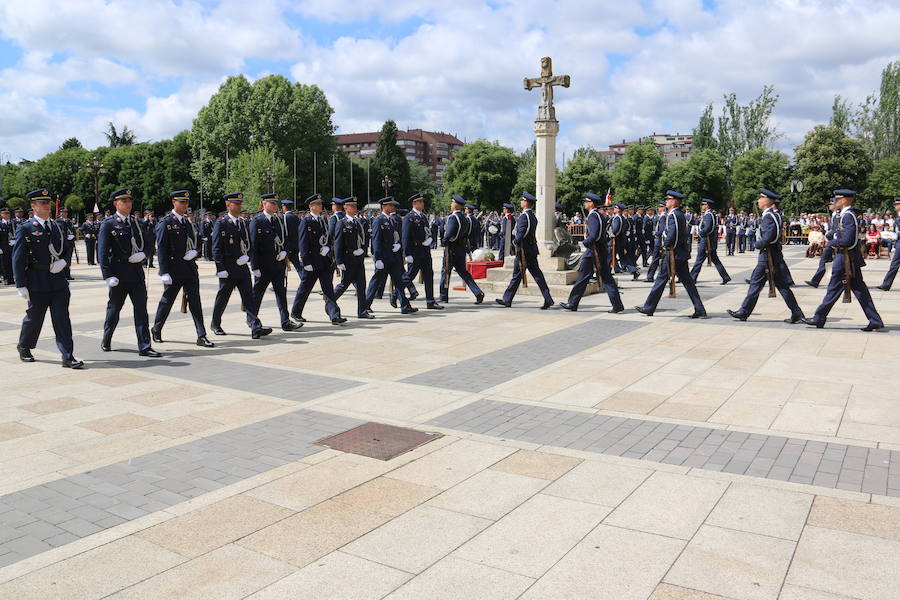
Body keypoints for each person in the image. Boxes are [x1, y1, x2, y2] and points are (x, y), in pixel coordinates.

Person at [13, 189, 83, 367]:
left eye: (47, 202)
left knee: (62, 319)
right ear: (33, 206)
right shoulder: (26, 228)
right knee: (34, 318)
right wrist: (20, 285)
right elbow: (18, 257)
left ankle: (68, 355)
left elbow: (67, 249)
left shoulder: (58, 226)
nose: (46, 206)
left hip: (58, 281)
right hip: (37, 280)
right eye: (42, 203)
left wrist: (64, 263)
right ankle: (24, 345)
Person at [802, 189, 884, 331]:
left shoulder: (848, 215)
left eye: (837, 199)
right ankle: (875, 320)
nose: (835, 202)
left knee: (834, 287)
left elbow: (849, 240)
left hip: (845, 258)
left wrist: (831, 243)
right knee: (860, 290)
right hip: (847, 257)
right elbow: (839, 233)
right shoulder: (844, 215)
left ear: (845, 200)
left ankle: (819, 317)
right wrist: (830, 235)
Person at [97, 188, 159, 356]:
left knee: (141, 310)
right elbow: (102, 252)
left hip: (136, 273)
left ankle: (145, 346)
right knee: (114, 310)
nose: (127, 204)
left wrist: (144, 254)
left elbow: (149, 244)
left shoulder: (137, 223)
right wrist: (107, 275)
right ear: (116, 203)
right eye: (123, 201)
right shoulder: (108, 223)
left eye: (129, 201)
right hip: (118, 274)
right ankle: (107, 337)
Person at [727, 189, 804, 324]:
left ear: (766, 201)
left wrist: (758, 244)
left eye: (760, 198)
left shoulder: (768, 216)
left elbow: (770, 236)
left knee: (756, 283)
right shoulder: (772, 215)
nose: (758, 201)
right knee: (782, 286)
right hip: (773, 254)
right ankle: (796, 312)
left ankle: (744, 311)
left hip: (767, 255)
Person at [150, 191, 213, 347]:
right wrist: (163, 272)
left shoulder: (187, 222)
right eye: (181, 202)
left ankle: (201, 335)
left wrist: (195, 252)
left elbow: (197, 241)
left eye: (186, 202)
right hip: (173, 269)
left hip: (190, 268)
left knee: (195, 302)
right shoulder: (166, 222)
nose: (185, 205)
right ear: (174, 202)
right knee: (167, 301)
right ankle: (156, 328)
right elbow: (162, 248)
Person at [635, 191, 706, 318]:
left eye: (668, 199)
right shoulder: (676, 214)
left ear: (674, 201)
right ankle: (699, 308)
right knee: (688, 282)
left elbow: (675, 234)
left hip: (674, 253)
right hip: (679, 253)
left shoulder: (674, 215)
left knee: (661, 279)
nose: (666, 201)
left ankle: (649, 307)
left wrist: (667, 244)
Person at [210, 193, 272, 338]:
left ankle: (255, 326)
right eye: (236, 203)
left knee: (249, 298)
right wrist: (220, 268)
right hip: (228, 268)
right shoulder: (222, 223)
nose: (239, 206)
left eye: (240, 203)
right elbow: (216, 248)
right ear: (228, 205)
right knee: (223, 298)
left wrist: (248, 257)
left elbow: (250, 244)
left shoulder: (243, 223)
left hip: (242, 267)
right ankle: (215, 323)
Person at [559, 192, 623, 312]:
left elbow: (595, 235)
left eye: (586, 202)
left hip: (593, 251)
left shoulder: (593, 216)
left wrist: (586, 242)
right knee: (606, 278)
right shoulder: (599, 215)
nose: (585, 203)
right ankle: (617, 304)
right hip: (600, 250)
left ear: (591, 203)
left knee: (583, 276)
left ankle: (572, 303)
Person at [290, 194, 345, 325]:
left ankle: (334, 315)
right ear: (311, 206)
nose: (320, 206)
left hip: (323, 261)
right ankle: (296, 312)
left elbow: (328, 237)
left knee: (328, 289)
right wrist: (306, 262)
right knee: (305, 289)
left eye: (320, 204)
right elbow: (302, 243)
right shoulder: (306, 221)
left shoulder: (322, 220)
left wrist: (328, 248)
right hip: (312, 261)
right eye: (317, 204)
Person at [251, 193, 301, 331]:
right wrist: (254, 266)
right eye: (271, 203)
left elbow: (285, 239)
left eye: (275, 203)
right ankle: (253, 322)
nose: (274, 206)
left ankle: (285, 321)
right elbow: (253, 245)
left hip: (278, 265)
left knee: (281, 293)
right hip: (263, 265)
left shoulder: (278, 220)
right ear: (264, 204)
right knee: (257, 295)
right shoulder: (257, 221)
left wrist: (285, 251)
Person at [495, 191, 554, 309]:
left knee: (517, 274)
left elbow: (521, 233)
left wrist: (515, 241)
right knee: (537, 274)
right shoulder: (532, 216)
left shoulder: (524, 217)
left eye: (522, 200)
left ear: (526, 203)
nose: (521, 202)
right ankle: (547, 298)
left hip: (524, 250)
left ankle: (507, 299)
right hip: (531, 248)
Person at [365, 197, 416, 314]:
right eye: (390, 205)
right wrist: (377, 258)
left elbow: (395, 236)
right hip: (383, 257)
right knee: (376, 282)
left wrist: (398, 245)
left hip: (393, 257)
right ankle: (366, 305)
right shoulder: (379, 220)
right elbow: (376, 240)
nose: (393, 207)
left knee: (399, 281)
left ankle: (405, 305)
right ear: (384, 206)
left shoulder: (391, 220)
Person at [333, 196, 374, 319]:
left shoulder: (357, 222)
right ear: (345, 208)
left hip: (358, 259)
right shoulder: (342, 223)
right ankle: (330, 301)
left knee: (361, 285)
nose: (355, 208)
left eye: (355, 206)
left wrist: (362, 249)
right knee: (343, 285)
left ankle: (362, 311)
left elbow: (362, 238)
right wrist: (339, 261)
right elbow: (338, 243)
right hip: (348, 259)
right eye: (352, 206)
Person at [400, 193, 443, 310]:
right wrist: (407, 254)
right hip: (415, 251)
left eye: (422, 202)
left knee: (429, 275)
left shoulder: (423, 217)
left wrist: (430, 239)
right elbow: (405, 237)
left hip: (425, 251)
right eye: (420, 202)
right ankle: (396, 293)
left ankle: (430, 301)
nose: (422, 203)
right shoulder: (409, 217)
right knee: (410, 276)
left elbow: (427, 231)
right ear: (414, 203)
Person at [439, 194, 484, 304]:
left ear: (455, 205)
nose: (450, 204)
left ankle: (443, 296)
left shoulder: (453, 218)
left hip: (451, 249)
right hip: (461, 249)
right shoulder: (464, 218)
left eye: (452, 202)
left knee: (445, 271)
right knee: (463, 272)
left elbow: (448, 233)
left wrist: (444, 242)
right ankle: (478, 292)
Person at [689, 199, 731, 285]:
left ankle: (692, 278)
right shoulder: (711, 214)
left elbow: (708, 228)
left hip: (706, 241)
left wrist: (700, 233)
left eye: (703, 205)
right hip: (710, 240)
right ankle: (725, 276)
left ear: (707, 206)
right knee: (715, 259)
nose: (701, 206)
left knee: (699, 260)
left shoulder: (708, 215)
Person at [807, 199, 840, 288]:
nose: (829, 205)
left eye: (831, 204)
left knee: (826, 261)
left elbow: (837, 230)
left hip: (834, 242)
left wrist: (828, 235)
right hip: (832, 242)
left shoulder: (837, 215)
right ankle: (816, 281)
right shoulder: (834, 215)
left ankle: (817, 281)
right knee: (826, 262)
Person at [877, 198, 900, 290]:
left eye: (896, 204)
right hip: (898, 242)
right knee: (894, 264)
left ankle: (886, 284)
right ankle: (886, 284)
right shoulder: (897, 217)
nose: (894, 206)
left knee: (894, 264)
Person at [645, 201, 666, 282]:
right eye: (659, 207)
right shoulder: (660, 216)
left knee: (656, 259)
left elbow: (662, 229)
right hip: (657, 240)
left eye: (661, 207)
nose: (659, 208)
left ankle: (650, 276)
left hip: (659, 240)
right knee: (657, 259)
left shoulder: (663, 217)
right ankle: (651, 276)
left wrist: (656, 233)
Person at [56, 207, 76, 280]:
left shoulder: (69, 221)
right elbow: (58, 232)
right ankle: (62, 274)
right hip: (62, 242)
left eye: (66, 212)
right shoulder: (57, 221)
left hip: (70, 242)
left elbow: (73, 229)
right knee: (62, 258)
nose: (65, 213)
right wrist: (65, 236)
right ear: (60, 212)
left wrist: (73, 236)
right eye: (63, 212)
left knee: (69, 258)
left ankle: (68, 274)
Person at [0, 207, 13, 284]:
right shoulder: (1, 224)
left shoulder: (13, 223)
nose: (7, 215)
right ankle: (6, 278)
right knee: (4, 264)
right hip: (3, 247)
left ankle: (11, 278)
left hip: (12, 246)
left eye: (8, 213)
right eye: (5, 213)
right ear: (1, 215)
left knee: (12, 262)